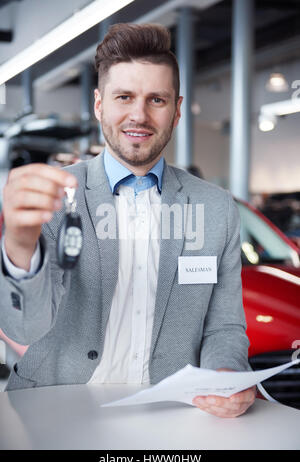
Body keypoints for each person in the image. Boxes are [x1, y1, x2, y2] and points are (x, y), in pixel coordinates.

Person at [0, 23, 255, 418]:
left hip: (168, 413)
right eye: (124, 97)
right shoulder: (52, 196)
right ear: (100, 104)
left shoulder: (217, 208)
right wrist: (17, 243)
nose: (139, 115)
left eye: (157, 99)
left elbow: (224, 328)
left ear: (177, 109)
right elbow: (24, 330)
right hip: (52, 411)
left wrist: (227, 375)